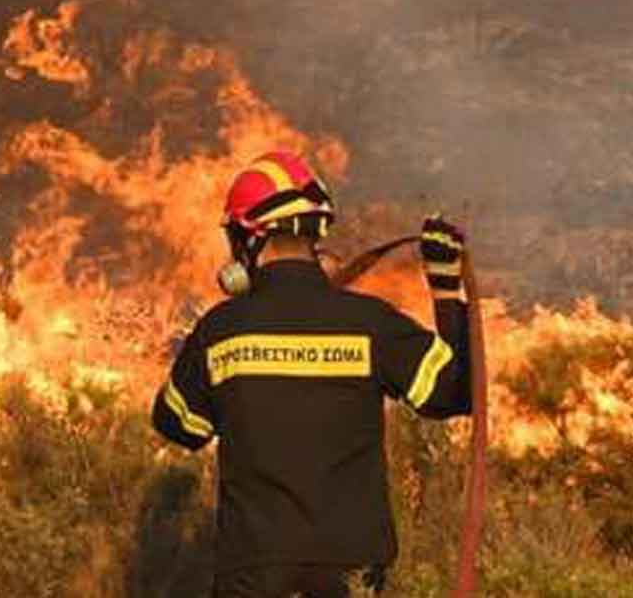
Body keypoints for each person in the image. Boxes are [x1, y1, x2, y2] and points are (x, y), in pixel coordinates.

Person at [151, 150, 472, 598]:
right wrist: (445, 289)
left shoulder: (221, 330)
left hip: (255, 567)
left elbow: (179, 425)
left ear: (250, 238)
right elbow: (454, 393)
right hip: (353, 566)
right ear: (315, 235)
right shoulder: (370, 324)